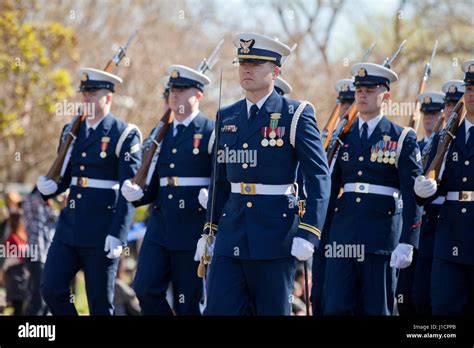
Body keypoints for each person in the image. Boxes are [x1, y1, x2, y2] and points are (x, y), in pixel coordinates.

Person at [196, 32, 330, 315]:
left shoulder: (295, 114)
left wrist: (310, 232)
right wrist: (210, 230)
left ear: (275, 71)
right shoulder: (227, 115)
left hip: (275, 233)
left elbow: (318, 175)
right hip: (232, 232)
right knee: (218, 310)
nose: (247, 69)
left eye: (256, 64)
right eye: (243, 62)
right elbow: (220, 179)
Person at [36, 67, 142, 315]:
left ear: (108, 97)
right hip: (69, 227)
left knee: (100, 304)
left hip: (102, 229)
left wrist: (118, 232)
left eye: (92, 94)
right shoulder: (71, 130)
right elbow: (66, 176)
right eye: (84, 94)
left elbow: (129, 189)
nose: (86, 99)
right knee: (51, 288)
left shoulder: (124, 133)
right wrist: (50, 187)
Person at [323, 62, 423, 315]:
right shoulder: (342, 136)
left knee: (377, 309)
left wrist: (407, 242)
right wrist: (315, 231)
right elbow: (329, 187)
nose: (362, 95)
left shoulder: (402, 137)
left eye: (369, 89)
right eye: (359, 89)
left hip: (380, 237)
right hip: (343, 236)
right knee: (336, 307)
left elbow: (412, 194)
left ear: (385, 96)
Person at [121, 66, 214, 315]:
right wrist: (137, 194)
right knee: (144, 288)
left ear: (198, 95)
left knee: (188, 302)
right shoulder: (159, 132)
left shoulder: (210, 130)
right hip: (160, 226)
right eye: (173, 90)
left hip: (192, 225)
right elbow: (155, 183)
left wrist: (213, 196)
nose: (175, 95)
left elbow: (222, 176)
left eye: (182, 90)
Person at [414, 59, 474, 315]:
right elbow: (433, 179)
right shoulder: (446, 137)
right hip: (449, 235)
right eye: (469, 89)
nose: (471, 95)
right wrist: (423, 190)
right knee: (444, 309)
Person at [395, 92, 444, 315]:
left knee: (425, 294)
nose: (428, 118)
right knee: (405, 293)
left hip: (437, 222)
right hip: (413, 223)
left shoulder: (442, 147)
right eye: (426, 114)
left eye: (434, 113)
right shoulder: (415, 145)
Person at [311, 77, 356, 316]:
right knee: (318, 294)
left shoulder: (358, 142)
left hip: (348, 225)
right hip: (324, 225)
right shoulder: (325, 141)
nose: (346, 109)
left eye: (351, 103)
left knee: (340, 298)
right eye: (343, 103)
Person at [22, 187, 58, 315]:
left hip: (46, 257)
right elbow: (38, 197)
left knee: (47, 297)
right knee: (38, 299)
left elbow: (57, 223)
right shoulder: (32, 201)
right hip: (36, 255)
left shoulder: (47, 209)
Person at [3, 212, 30, 315]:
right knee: (18, 308)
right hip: (17, 277)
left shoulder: (19, 237)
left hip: (21, 276)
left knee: (21, 308)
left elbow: (20, 257)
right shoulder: (15, 238)